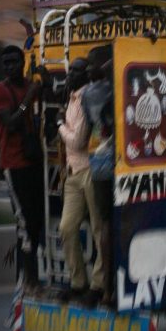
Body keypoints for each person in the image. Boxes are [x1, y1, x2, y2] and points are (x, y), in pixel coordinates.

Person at [0, 45, 44, 297]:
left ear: (22, 62)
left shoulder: (28, 85)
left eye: (13, 62)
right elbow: (10, 123)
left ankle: (30, 278)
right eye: (5, 63)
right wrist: (29, 98)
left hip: (33, 163)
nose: (9, 67)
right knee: (23, 225)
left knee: (35, 223)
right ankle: (28, 283)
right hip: (13, 165)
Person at [57, 56, 101, 306]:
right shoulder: (72, 98)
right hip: (73, 171)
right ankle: (78, 282)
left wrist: (60, 125)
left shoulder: (86, 98)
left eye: (75, 72)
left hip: (89, 170)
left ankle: (97, 285)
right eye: (70, 71)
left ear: (85, 75)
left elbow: (78, 141)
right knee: (66, 228)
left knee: (98, 231)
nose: (70, 75)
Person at [82, 45, 114, 304]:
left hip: (96, 161)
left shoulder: (86, 94)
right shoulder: (107, 88)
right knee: (110, 225)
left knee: (103, 225)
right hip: (112, 162)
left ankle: (106, 287)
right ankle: (111, 288)